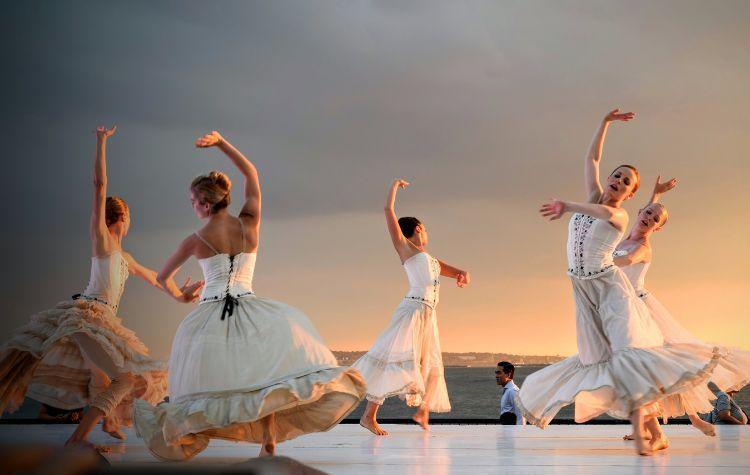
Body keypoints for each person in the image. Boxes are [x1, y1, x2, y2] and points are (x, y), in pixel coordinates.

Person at [133, 131, 366, 460]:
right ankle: (267, 438)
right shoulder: (250, 223)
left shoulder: (196, 238)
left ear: (206, 203)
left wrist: (182, 296)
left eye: (193, 201)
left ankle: (195, 434)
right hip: (253, 308)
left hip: (212, 313)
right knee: (265, 381)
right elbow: (251, 173)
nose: (192, 207)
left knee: (215, 383)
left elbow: (161, 277)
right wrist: (221, 142)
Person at [518, 109, 725, 456]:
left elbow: (604, 215)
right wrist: (604, 123)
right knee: (599, 360)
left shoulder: (619, 214)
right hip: (582, 292)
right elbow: (592, 158)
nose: (617, 181)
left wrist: (567, 205)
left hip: (610, 288)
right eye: (617, 175)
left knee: (628, 358)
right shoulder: (598, 197)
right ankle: (654, 432)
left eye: (626, 182)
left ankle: (648, 434)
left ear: (630, 195)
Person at [0, 126, 175, 447]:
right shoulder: (103, 241)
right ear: (120, 216)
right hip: (87, 316)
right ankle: (78, 439)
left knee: (104, 378)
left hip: (103, 320)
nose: (131, 217)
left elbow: (154, 277)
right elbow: (99, 185)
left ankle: (107, 423)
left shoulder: (124, 255)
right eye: (129, 213)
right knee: (124, 378)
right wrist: (101, 141)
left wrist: (182, 293)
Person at [614, 176, 750, 438]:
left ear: (657, 229)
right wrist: (656, 194)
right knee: (646, 370)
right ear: (640, 211)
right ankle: (662, 423)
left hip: (642, 311)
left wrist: (594, 262)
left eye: (655, 220)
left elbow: (625, 261)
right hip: (624, 310)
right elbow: (649, 211)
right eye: (648, 213)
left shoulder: (643, 247)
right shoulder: (633, 228)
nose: (649, 218)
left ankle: (685, 420)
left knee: (664, 366)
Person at [353, 179, 470, 436]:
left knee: (427, 361)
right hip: (413, 311)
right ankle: (368, 415)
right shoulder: (405, 248)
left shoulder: (427, 257)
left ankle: (422, 411)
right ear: (418, 228)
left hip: (428, 314)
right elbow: (388, 212)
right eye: (425, 229)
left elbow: (442, 267)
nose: (427, 233)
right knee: (392, 360)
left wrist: (461, 272)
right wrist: (394, 187)